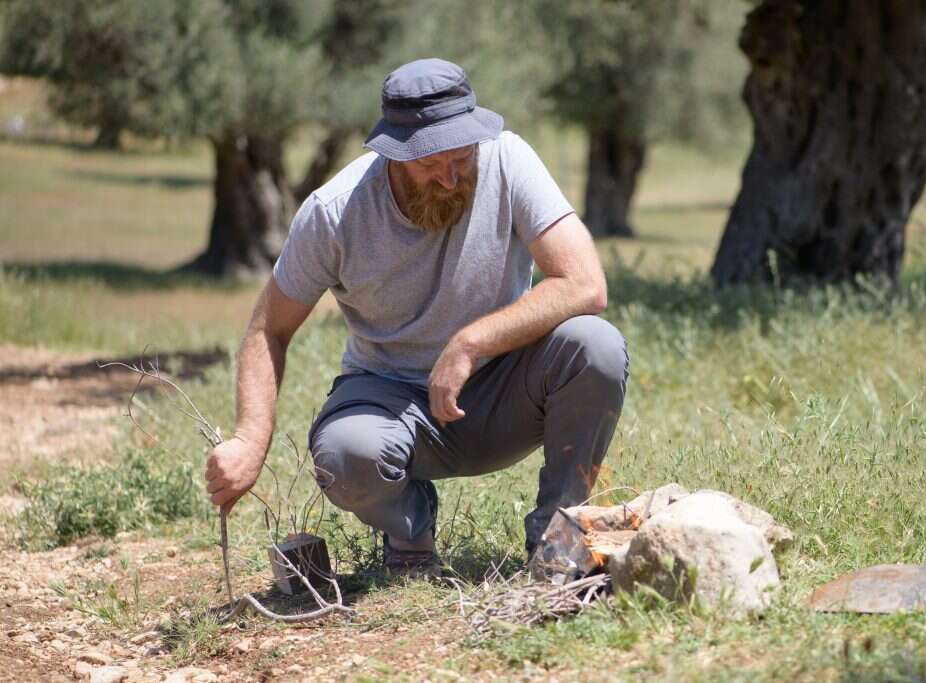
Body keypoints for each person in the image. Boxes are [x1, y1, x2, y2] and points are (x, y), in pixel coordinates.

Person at [204, 58, 628, 575]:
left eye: (462, 156)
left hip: (502, 392)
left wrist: (471, 342)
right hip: (392, 403)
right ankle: (410, 535)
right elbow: (269, 328)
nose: (451, 178)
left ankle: (558, 542)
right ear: (395, 152)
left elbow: (585, 281)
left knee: (596, 346)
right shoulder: (335, 212)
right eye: (431, 162)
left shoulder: (508, 159)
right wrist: (249, 441)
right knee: (345, 456)